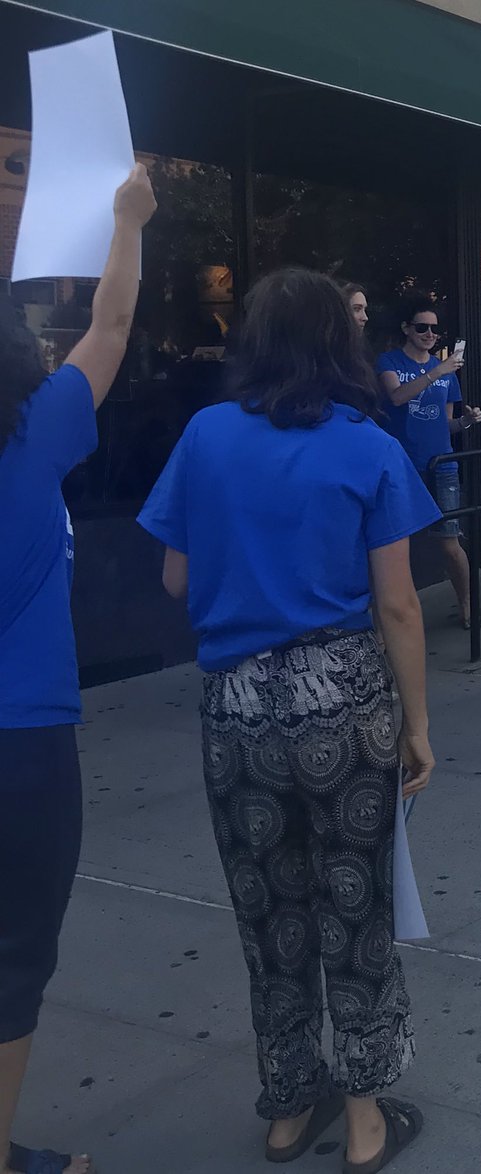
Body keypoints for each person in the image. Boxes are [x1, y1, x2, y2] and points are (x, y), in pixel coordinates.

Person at [138, 268, 438, 1172]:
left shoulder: (204, 436)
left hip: (235, 709)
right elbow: (398, 607)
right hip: (343, 703)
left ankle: (285, 1107)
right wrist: (418, 723)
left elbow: (176, 580)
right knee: (355, 906)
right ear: (337, 345)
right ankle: (364, 1119)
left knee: (269, 911)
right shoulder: (369, 446)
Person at [0, 164, 156, 1174]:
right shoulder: (36, 432)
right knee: (15, 956)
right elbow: (109, 325)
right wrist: (127, 222)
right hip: (23, 740)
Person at [376, 292, 481, 629]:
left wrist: (466, 421)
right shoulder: (390, 362)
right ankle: (388, 620)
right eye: (422, 327)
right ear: (406, 328)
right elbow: (396, 396)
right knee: (395, 545)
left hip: (442, 463)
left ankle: (468, 603)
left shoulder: (445, 371)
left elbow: (445, 424)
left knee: (450, 542)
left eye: (435, 329)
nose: (430, 335)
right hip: (402, 464)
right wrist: (438, 371)